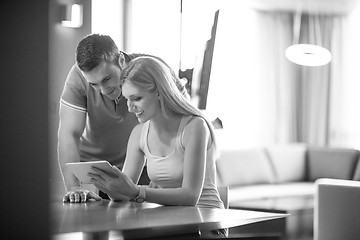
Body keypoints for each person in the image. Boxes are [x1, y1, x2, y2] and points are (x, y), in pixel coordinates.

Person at [58, 34, 189, 203]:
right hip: (101, 169)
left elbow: (184, 117)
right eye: (94, 85)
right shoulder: (77, 78)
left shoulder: (152, 70)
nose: (103, 90)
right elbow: (69, 134)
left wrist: (168, 172)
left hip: (144, 164)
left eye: (106, 79)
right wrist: (74, 188)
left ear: (120, 60)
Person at [89, 56, 224, 209]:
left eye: (137, 98)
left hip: (206, 222)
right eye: (127, 99)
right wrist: (98, 192)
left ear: (159, 92)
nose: (130, 108)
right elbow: (124, 194)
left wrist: (138, 191)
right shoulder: (139, 133)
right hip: (171, 221)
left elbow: (190, 197)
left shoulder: (195, 126)